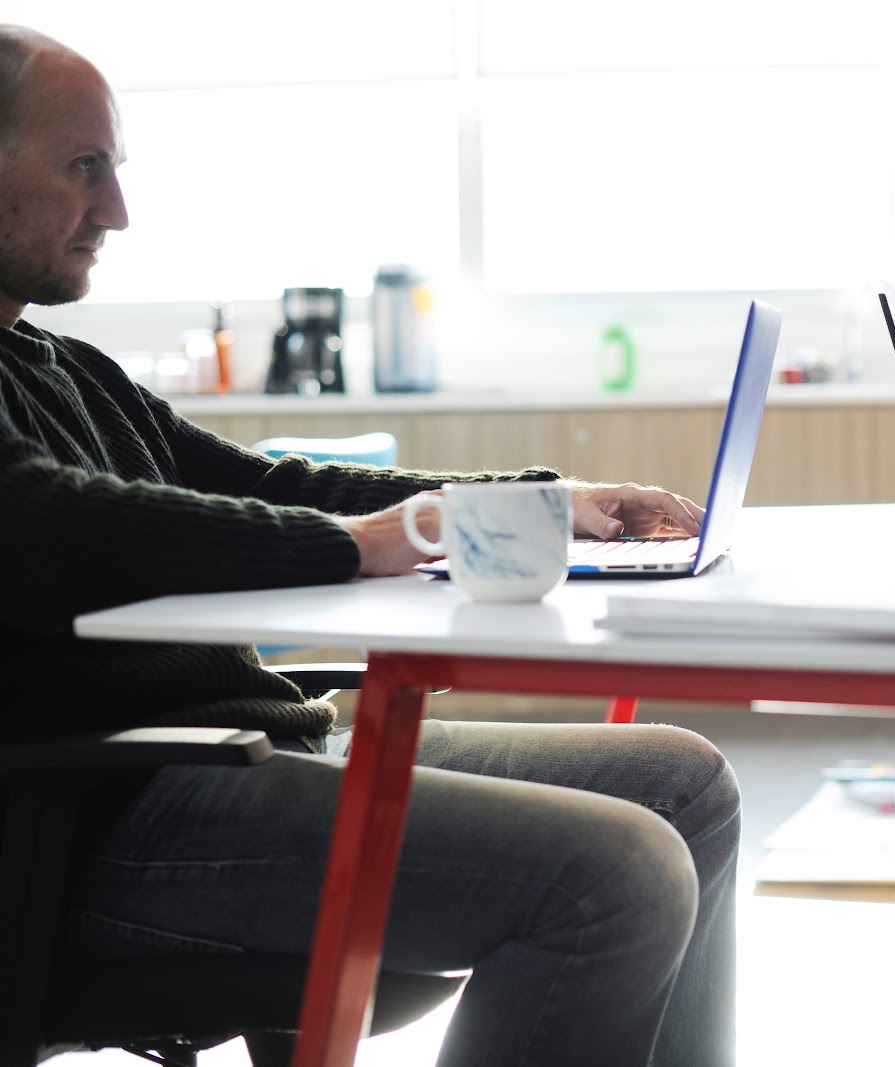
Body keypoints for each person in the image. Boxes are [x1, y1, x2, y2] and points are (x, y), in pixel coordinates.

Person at [0, 24, 739, 1067]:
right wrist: (361, 545)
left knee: (683, 783)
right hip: (99, 819)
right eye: (86, 168)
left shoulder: (64, 364)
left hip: (248, 758)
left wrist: (538, 498)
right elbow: (47, 524)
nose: (118, 209)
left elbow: (270, 485)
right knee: (614, 871)